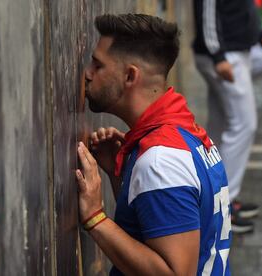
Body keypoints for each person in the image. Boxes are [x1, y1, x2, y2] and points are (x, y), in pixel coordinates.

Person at [75, 14, 231, 276]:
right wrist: (122, 178)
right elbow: (153, 227)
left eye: (98, 65)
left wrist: (96, 219)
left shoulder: (161, 161)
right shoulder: (183, 132)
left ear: (129, 76)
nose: (87, 74)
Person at [192, 0, 262, 233]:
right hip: (224, 55)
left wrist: (261, 35)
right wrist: (218, 56)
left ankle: (215, 200)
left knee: (221, 128)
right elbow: (207, 13)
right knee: (244, 125)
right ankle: (223, 207)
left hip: (232, 52)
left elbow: (241, 8)